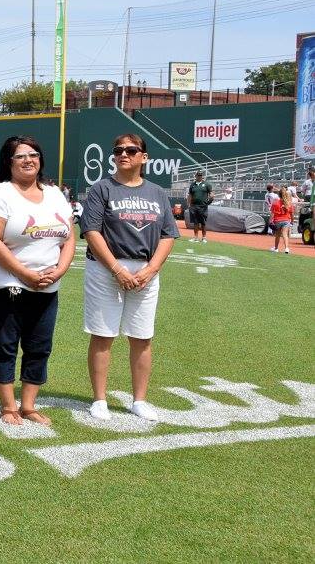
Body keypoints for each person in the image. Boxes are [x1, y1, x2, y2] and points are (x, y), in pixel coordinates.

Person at [0, 137, 75, 426]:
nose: (28, 160)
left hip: (48, 284)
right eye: (20, 156)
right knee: (6, 344)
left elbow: (68, 237)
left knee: (40, 345)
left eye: (34, 154)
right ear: (9, 162)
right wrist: (25, 273)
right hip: (6, 284)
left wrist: (59, 271)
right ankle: (9, 406)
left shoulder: (55, 193)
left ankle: (29, 405)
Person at [81, 134, 179, 422]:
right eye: (118, 150)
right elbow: (91, 231)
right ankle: (100, 399)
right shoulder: (102, 189)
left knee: (142, 336)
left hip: (145, 269)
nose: (124, 154)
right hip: (106, 266)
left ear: (143, 157)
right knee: (103, 334)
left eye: (131, 150)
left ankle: (140, 399)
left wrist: (151, 270)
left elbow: (168, 235)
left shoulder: (158, 193)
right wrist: (116, 269)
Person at [185, 170, 213, 243]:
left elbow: (211, 194)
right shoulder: (192, 185)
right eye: (198, 175)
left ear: (202, 176)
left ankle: (204, 237)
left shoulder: (206, 184)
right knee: (195, 222)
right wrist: (188, 204)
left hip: (203, 206)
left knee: (203, 222)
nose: (200, 176)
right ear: (196, 176)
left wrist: (209, 202)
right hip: (194, 206)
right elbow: (190, 195)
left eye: (201, 175)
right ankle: (195, 237)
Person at [269, 190, 294, 254]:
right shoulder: (289, 203)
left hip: (277, 220)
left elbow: (272, 213)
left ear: (279, 195)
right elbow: (292, 213)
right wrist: (292, 221)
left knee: (277, 235)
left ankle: (276, 248)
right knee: (285, 235)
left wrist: (270, 221)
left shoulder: (275, 202)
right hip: (286, 220)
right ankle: (286, 248)